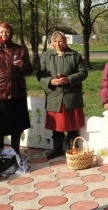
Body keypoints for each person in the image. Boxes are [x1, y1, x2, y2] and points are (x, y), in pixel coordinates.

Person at [37, 31, 88, 160]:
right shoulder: (46, 56)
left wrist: (69, 79)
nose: (58, 44)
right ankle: (57, 149)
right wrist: (50, 81)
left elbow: (83, 72)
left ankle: (73, 150)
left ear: (65, 41)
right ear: (51, 43)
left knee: (72, 126)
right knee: (57, 127)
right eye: (55, 41)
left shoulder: (74, 55)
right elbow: (40, 74)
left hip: (71, 96)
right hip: (55, 96)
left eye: (61, 41)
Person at [0, 22, 33, 155]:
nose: (4, 34)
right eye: (1, 31)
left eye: (6, 31)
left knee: (16, 126)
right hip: (0, 94)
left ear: (11, 33)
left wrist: (22, 65)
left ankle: (16, 154)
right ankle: (1, 154)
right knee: (0, 126)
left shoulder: (20, 49)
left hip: (17, 93)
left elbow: (29, 70)